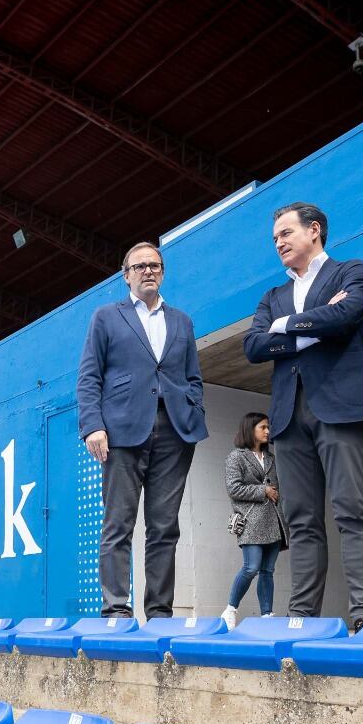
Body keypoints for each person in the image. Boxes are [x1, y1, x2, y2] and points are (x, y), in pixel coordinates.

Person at [243, 202, 363, 629]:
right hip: (288, 417)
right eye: (275, 239)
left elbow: (347, 316)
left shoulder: (351, 273)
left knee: (351, 512)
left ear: (315, 231)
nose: (279, 243)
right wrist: (309, 327)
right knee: (302, 521)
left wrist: (282, 328)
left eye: (285, 234)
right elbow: (252, 347)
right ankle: (301, 618)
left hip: (339, 408)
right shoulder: (273, 296)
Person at [77, 240, 207, 618]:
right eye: (140, 266)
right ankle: (116, 609)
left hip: (175, 431)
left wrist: (194, 405)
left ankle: (160, 613)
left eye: (154, 265)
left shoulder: (181, 320)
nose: (148, 270)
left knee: (165, 527)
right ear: (126, 275)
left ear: (162, 272)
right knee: (118, 523)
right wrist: (93, 426)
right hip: (120, 432)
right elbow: (89, 376)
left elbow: (193, 375)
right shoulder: (106, 316)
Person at [222, 412, 286, 628]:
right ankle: (230, 609)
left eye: (268, 427)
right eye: (263, 427)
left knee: (268, 570)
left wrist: (273, 493)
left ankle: (267, 615)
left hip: (273, 520)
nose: (268, 431)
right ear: (250, 429)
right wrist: (263, 490)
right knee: (251, 568)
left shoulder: (271, 458)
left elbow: (277, 487)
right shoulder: (236, 456)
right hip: (250, 522)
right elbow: (233, 488)